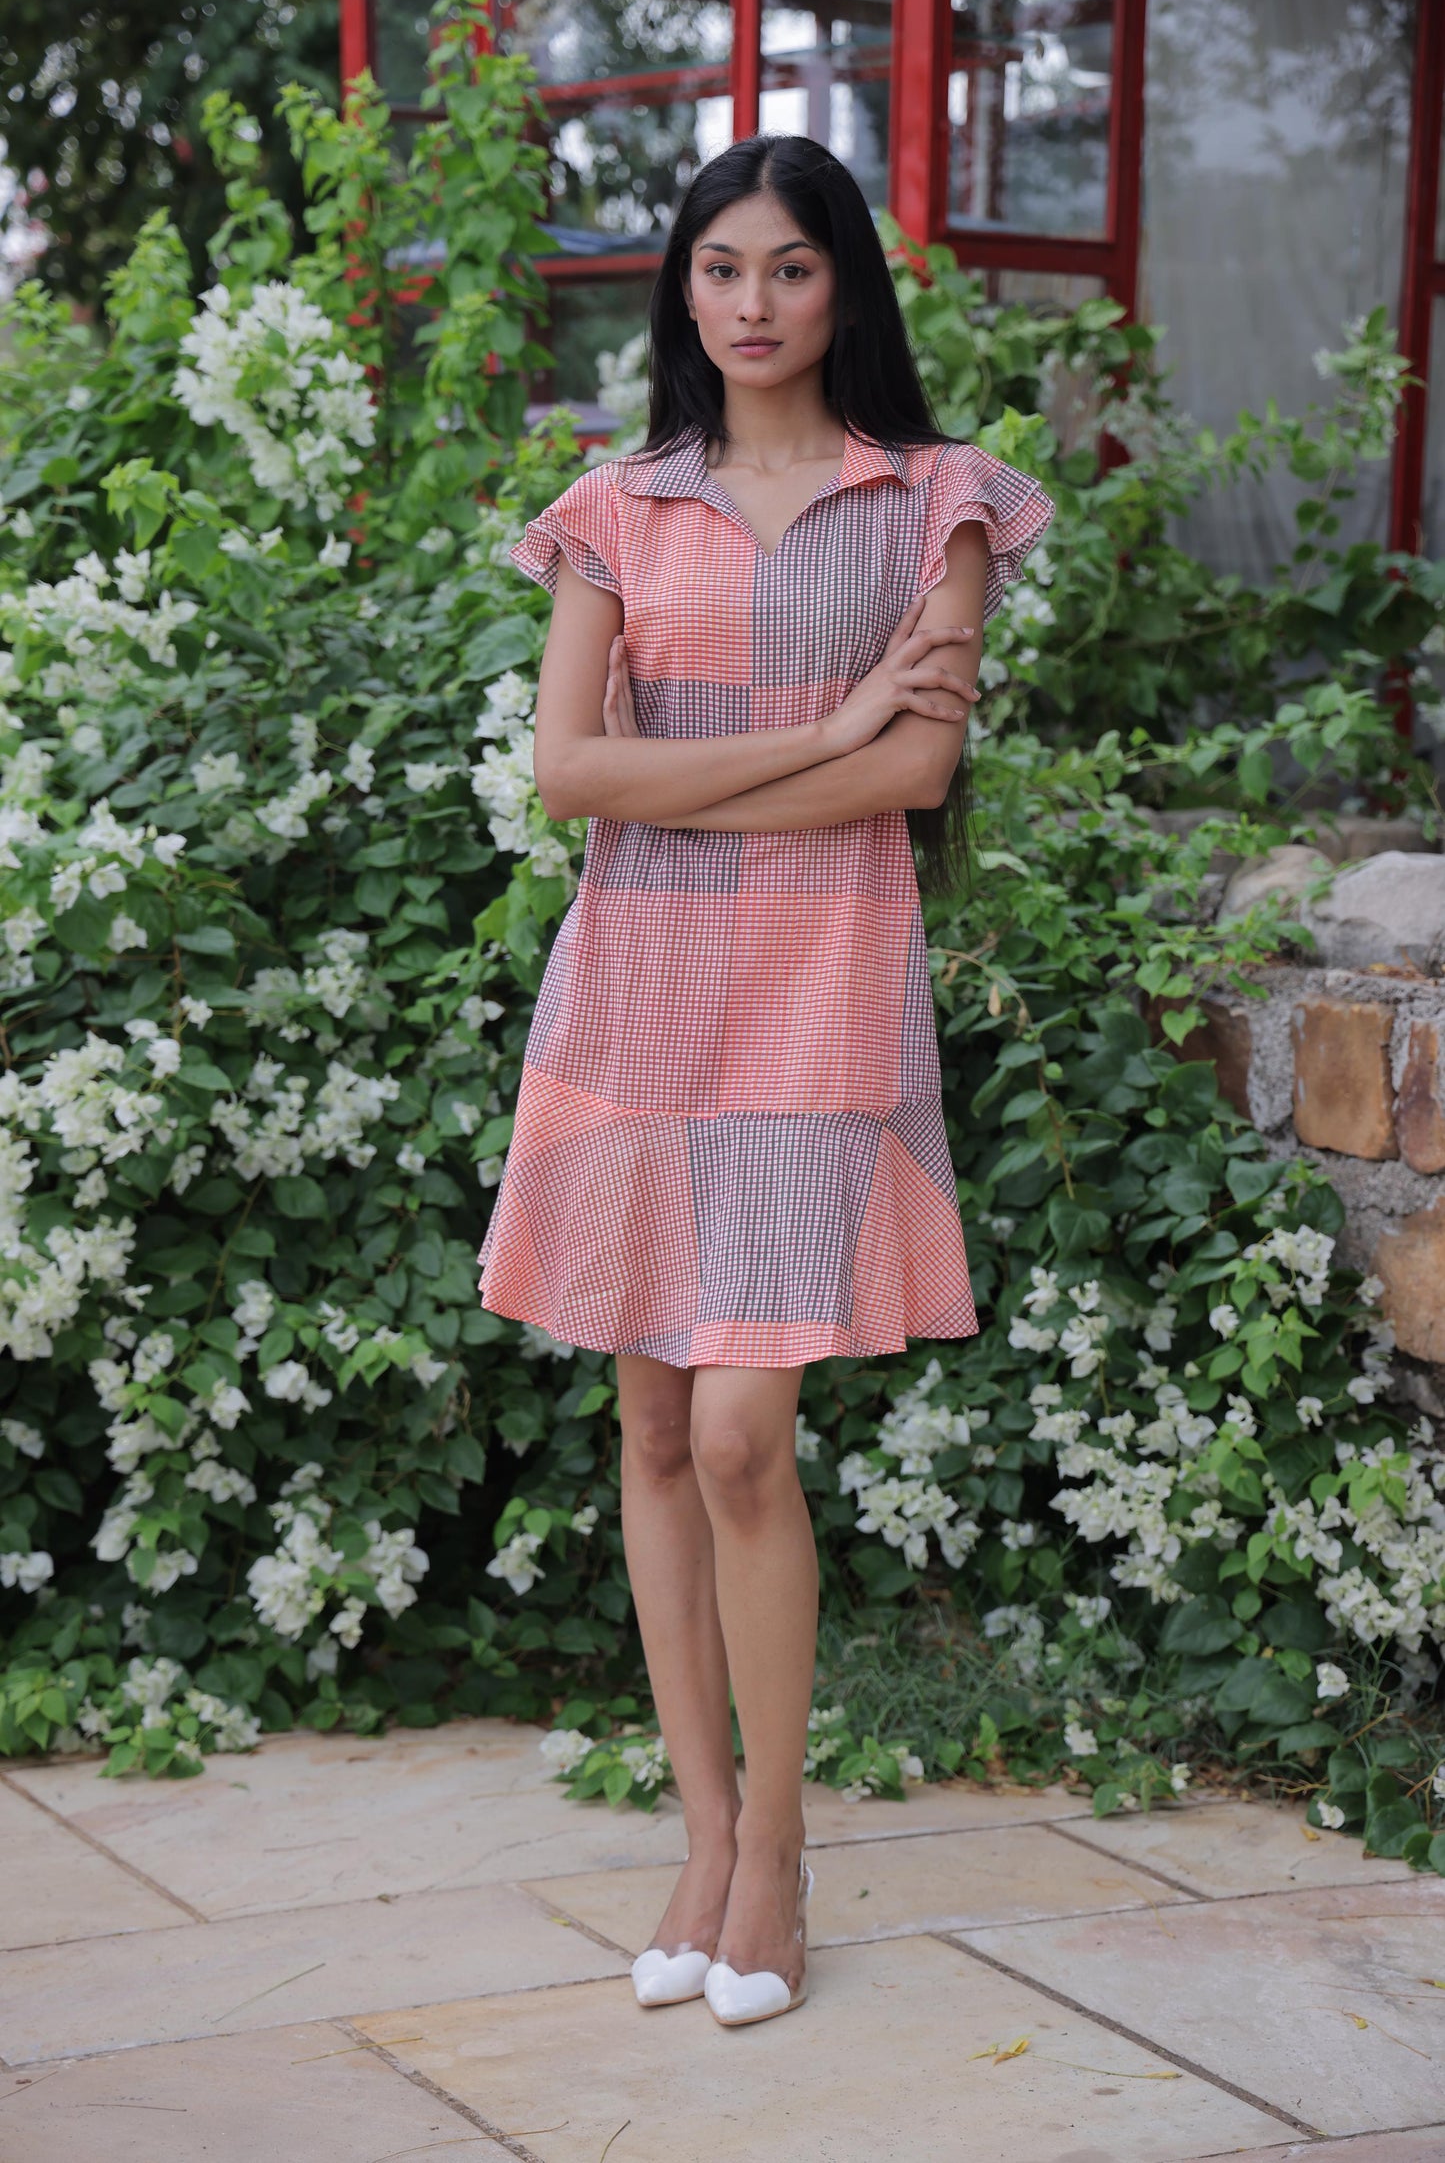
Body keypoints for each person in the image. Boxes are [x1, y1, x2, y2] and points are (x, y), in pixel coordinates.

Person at [478, 131, 1056, 2028]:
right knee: (648, 1431)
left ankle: (787, 1849)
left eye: (787, 270)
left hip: (820, 982)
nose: (748, 304)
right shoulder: (615, 509)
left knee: (739, 1434)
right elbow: (568, 774)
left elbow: (912, 784)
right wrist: (819, 726)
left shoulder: (936, 503)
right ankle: (705, 1829)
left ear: (845, 286)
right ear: (682, 288)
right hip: (638, 983)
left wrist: (738, 766)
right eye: (717, 269)